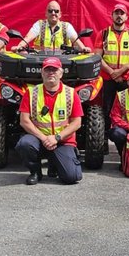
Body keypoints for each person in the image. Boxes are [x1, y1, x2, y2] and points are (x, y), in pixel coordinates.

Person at [15, 57, 83, 185]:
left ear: (61, 73)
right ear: (42, 73)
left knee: (72, 177)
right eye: (47, 70)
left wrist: (56, 138)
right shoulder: (31, 93)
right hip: (39, 139)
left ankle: (55, 164)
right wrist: (44, 138)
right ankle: (35, 172)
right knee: (24, 144)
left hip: (62, 141)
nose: (51, 73)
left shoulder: (71, 93)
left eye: (54, 70)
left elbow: (76, 122)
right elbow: (24, 121)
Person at [94, 3, 129, 135]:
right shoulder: (104, 33)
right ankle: (104, 139)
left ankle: (127, 137)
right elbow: (97, 56)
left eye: (122, 13)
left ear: (126, 16)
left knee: (127, 109)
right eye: (116, 13)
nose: (119, 16)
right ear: (112, 15)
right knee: (106, 109)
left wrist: (121, 71)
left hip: (127, 79)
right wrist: (112, 72)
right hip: (108, 78)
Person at [12, 1, 89, 52]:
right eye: (50, 11)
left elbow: (76, 41)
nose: (53, 13)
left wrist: (83, 48)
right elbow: (27, 38)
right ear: (46, 13)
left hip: (63, 61)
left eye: (56, 11)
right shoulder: (39, 24)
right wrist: (19, 46)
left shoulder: (67, 26)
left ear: (60, 14)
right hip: (40, 61)